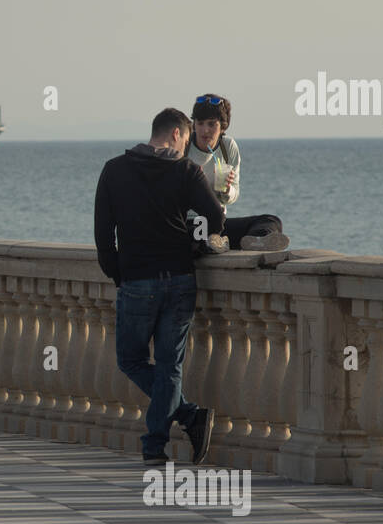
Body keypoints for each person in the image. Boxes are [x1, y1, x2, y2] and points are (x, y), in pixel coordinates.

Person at [93, 107, 224, 466]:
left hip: (137, 281)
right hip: (181, 278)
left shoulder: (114, 170)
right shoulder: (185, 170)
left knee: (131, 360)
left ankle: (166, 435)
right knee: (169, 367)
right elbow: (216, 218)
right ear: (178, 135)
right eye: (187, 140)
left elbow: (103, 237)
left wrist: (118, 273)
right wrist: (192, 233)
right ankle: (180, 423)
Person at [184, 93, 289, 251]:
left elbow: (232, 194)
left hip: (217, 222)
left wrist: (227, 190)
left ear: (223, 127)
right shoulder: (184, 147)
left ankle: (255, 241)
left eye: (212, 124)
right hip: (190, 221)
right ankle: (212, 244)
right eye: (200, 123)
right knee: (197, 234)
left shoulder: (228, 147)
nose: (205, 130)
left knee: (271, 221)